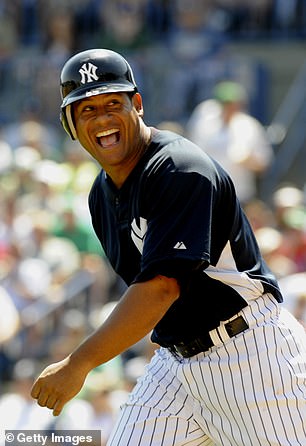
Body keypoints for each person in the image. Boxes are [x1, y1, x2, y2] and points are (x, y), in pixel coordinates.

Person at [31, 48, 306, 446]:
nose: (103, 118)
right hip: (175, 367)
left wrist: (80, 363)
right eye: (87, 110)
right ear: (69, 124)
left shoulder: (179, 167)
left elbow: (161, 287)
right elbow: (145, 287)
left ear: (137, 105)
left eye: (113, 103)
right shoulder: (101, 196)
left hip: (251, 355)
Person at [186, 80, 274, 205]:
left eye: (234, 104)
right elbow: (192, 156)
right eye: (226, 104)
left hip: (239, 196)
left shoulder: (249, 126)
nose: (231, 108)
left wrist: (248, 159)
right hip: (209, 193)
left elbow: (264, 164)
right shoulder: (204, 123)